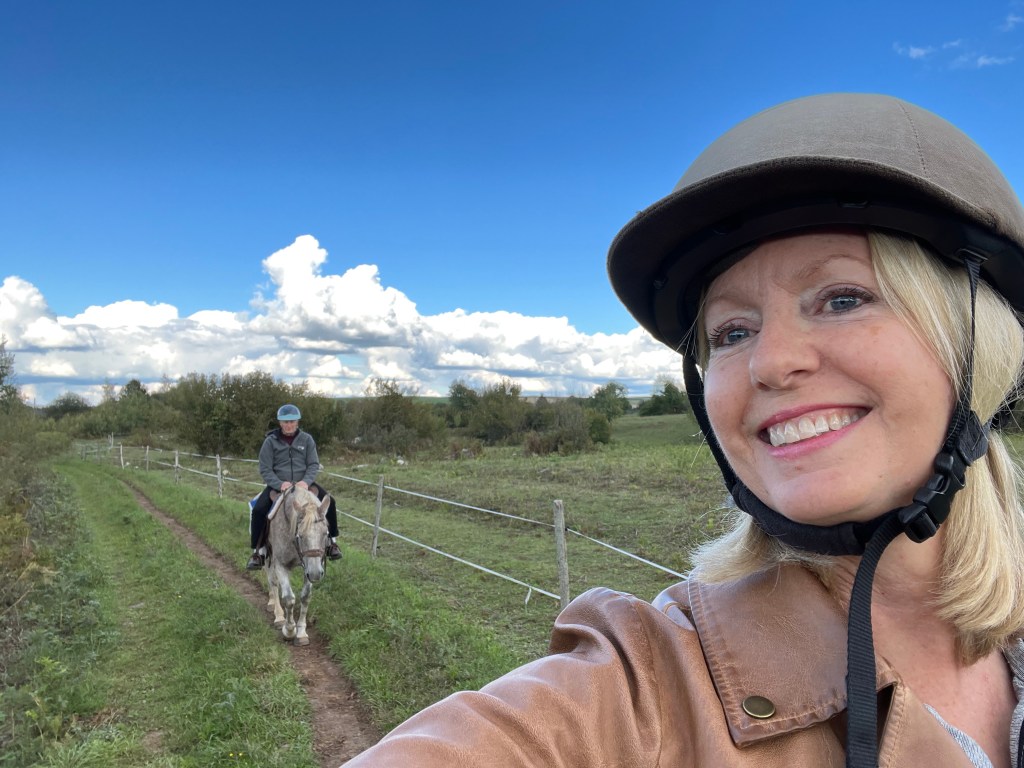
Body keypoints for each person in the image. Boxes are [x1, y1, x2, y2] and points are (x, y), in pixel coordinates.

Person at [344, 94, 1024, 767]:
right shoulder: (643, 694)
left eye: (841, 299)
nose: (770, 362)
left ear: (975, 346)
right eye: (732, 332)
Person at [246, 403, 343, 569]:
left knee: (331, 503)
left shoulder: (307, 440)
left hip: (304, 484)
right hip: (279, 486)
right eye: (285, 422)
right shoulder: (270, 442)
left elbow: (313, 464)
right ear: (280, 423)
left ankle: (332, 543)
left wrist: (305, 481)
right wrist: (279, 483)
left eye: (292, 421)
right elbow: (265, 468)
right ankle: (258, 551)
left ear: (297, 422)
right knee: (259, 510)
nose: (289, 425)